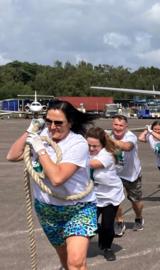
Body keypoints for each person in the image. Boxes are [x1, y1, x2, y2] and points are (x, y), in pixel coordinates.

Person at [6, 100, 98, 270]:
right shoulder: (40, 136)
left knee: (76, 263)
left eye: (58, 122)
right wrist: (30, 130)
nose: (52, 126)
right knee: (64, 259)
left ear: (70, 122)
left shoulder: (77, 144)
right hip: (48, 210)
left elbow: (57, 178)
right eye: (48, 121)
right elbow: (12, 156)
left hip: (77, 209)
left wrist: (40, 150)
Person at [86, 127, 125, 261]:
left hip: (110, 195)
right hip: (93, 195)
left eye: (95, 146)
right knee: (89, 223)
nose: (91, 149)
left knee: (108, 225)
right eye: (88, 145)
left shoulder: (106, 155)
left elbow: (92, 164)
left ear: (102, 144)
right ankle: (99, 230)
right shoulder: (85, 152)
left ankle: (107, 248)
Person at [109, 115, 143, 237]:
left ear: (126, 126)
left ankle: (139, 218)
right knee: (115, 200)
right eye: (115, 125)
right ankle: (119, 221)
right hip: (115, 175)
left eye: (121, 125)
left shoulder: (130, 136)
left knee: (136, 201)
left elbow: (127, 147)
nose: (118, 128)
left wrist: (107, 139)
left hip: (132, 175)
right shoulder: (109, 136)